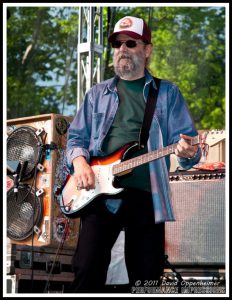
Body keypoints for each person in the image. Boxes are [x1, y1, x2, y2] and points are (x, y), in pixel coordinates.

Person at [66, 16, 201, 293]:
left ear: (147, 50)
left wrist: (189, 151)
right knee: (86, 269)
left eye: (131, 43)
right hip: (99, 195)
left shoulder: (167, 93)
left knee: (147, 278)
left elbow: (189, 149)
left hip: (147, 195)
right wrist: (80, 163)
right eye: (117, 43)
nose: (122, 49)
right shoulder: (97, 94)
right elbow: (76, 138)